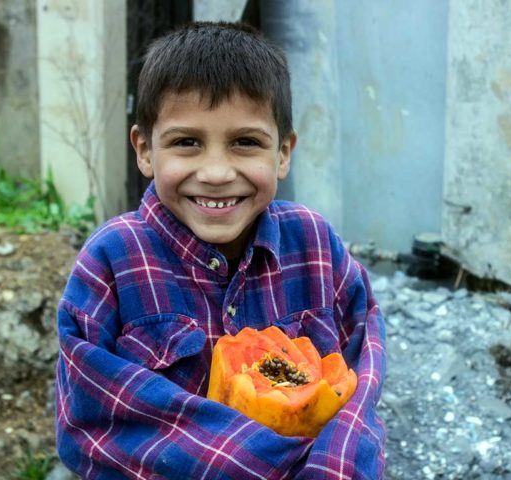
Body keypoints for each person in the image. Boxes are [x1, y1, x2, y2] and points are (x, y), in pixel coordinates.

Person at [56, 21, 386, 479]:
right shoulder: (112, 260)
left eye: (245, 143)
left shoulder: (315, 245)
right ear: (145, 149)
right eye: (187, 142)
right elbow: (92, 421)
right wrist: (273, 467)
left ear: (284, 153)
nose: (215, 172)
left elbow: (360, 379)